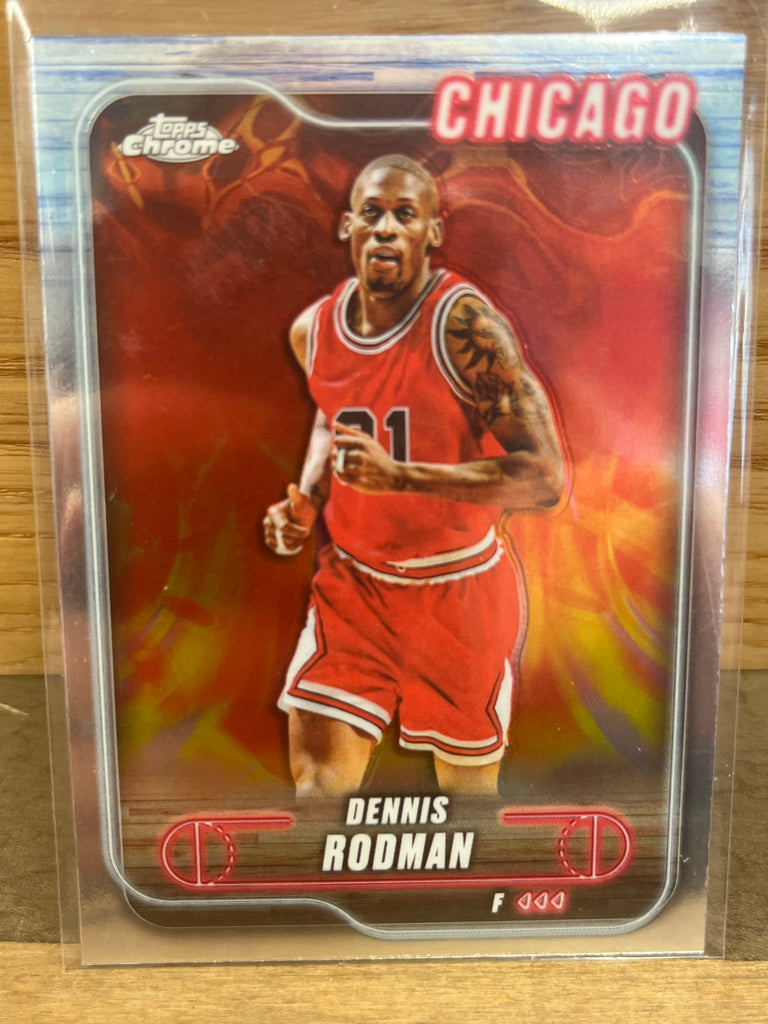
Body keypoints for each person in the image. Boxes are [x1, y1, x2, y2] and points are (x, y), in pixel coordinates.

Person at [263, 154, 565, 798]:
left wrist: (401, 478)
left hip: (459, 593)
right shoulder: (313, 331)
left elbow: (544, 478)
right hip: (355, 589)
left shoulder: (465, 327)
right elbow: (331, 417)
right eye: (372, 213)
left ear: (433, 231)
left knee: (466, 803)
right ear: (347, 226)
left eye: (405, 215)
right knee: (316, 788)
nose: (386, 228)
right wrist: (307, 501)